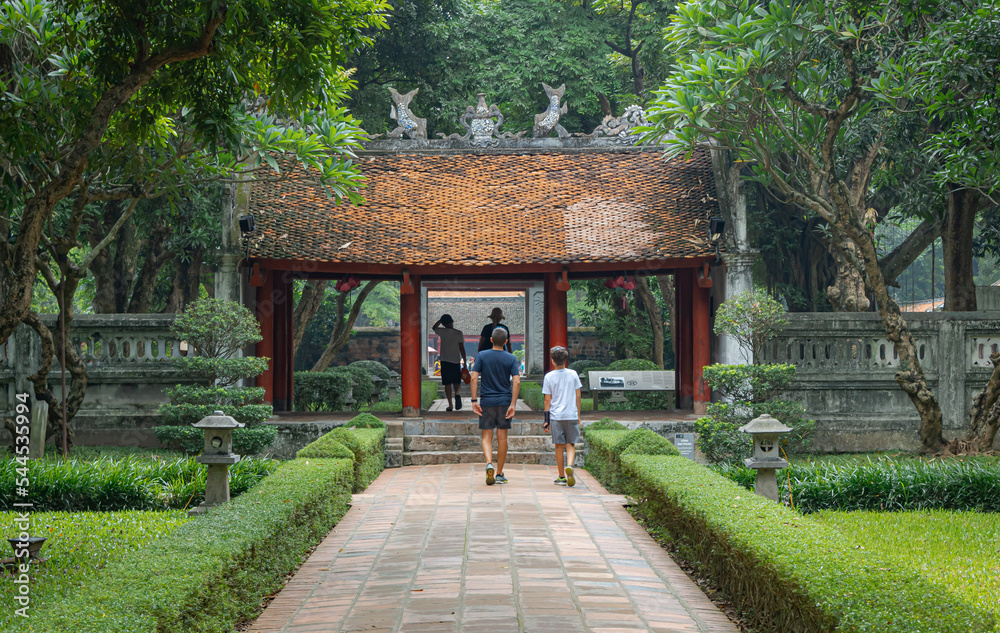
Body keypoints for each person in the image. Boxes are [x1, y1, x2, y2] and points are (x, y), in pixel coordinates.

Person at [470, 327, 520, 485]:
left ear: (491, 340)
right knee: (502, 437)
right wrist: (513, 404)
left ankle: (489, 463)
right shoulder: (511, 358)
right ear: (506, 342)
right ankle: (499, 473)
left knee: (486, 435)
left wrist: (473, 401)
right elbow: (517, 381)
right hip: (504, 401)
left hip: (487, 401)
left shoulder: (482, 355)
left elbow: (473, 378)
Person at [542, 346, 582, 487]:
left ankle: (561, 477)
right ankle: (570, 465)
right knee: (570, 444)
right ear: (566, 360)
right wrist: (578, 415)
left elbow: (547, 400)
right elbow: (578, 396)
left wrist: (546, 421)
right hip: (571, 414)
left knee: (559, 446)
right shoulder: (573, 374)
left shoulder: (549, 376)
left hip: (556, 416)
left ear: (553, 361)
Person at [432, 314, 467, 411]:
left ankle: (450, 405)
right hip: (455, 361)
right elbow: (461, 348)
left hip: (445, 360)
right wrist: (464, 359)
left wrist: (440, 320)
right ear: (452, 321)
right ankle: (457, 393)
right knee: (456, 381)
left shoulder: (442, 332)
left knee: (447, 383)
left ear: (444, 324)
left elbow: (434, 327)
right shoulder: (458, 333)